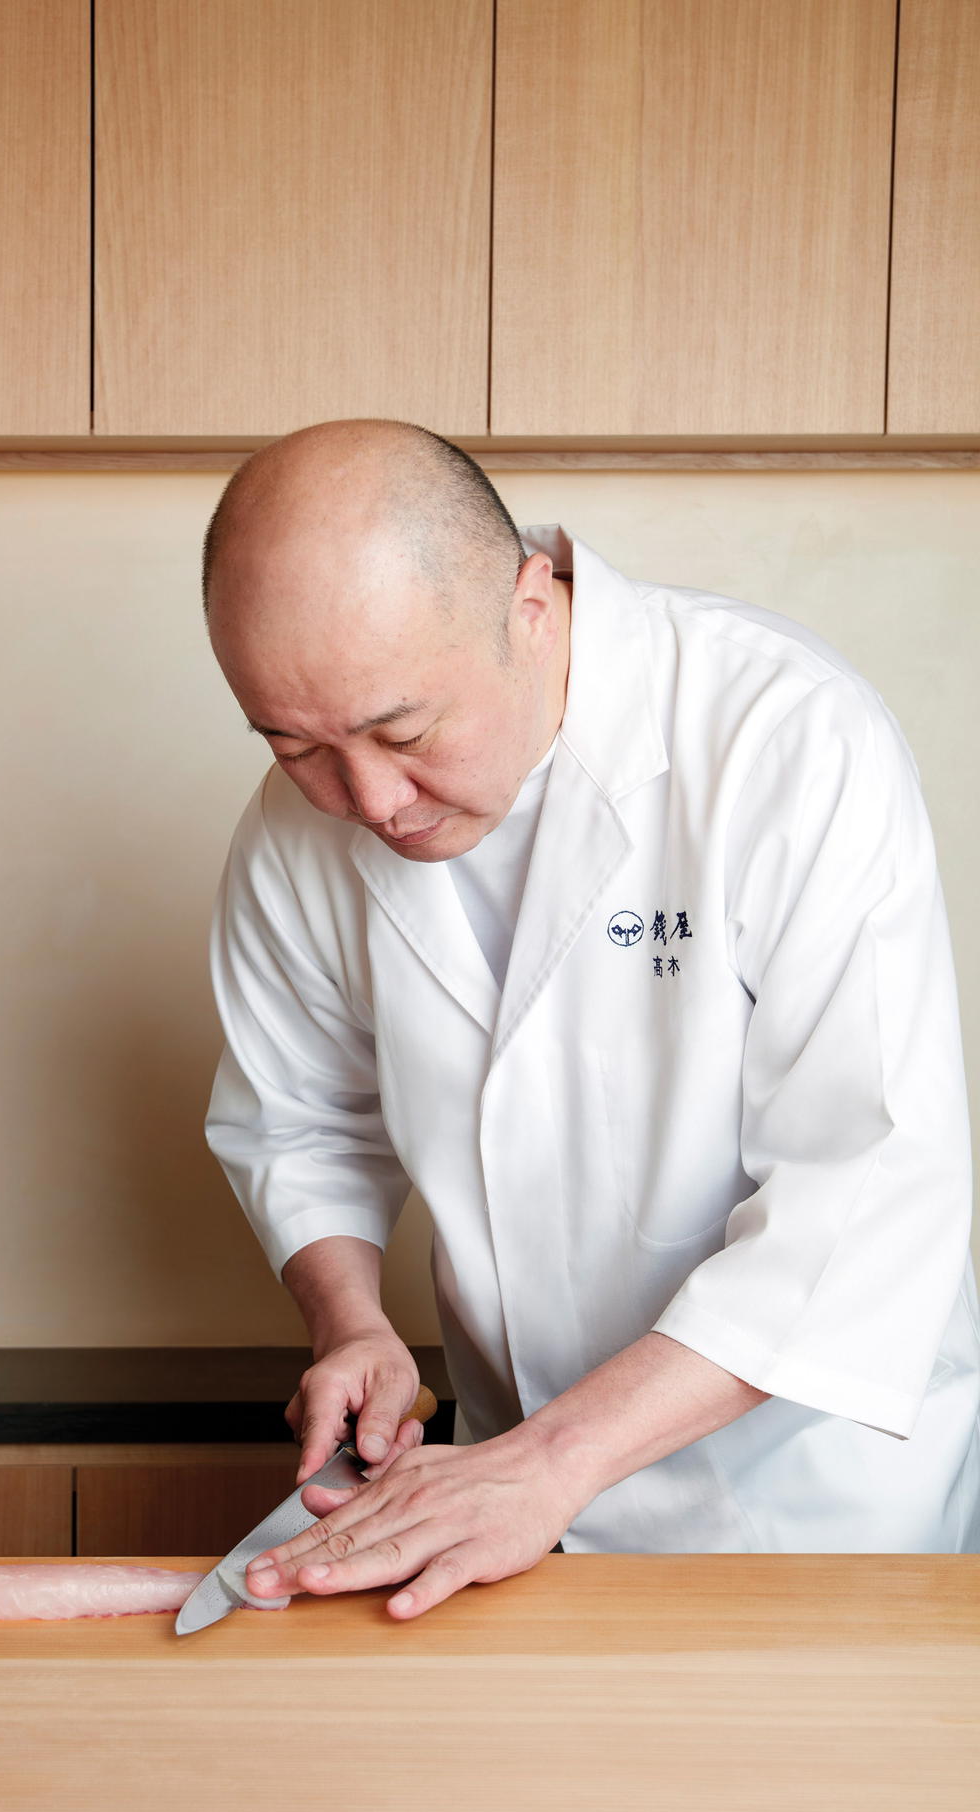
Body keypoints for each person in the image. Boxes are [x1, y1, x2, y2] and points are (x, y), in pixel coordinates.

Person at [200, 417, 980, 1616]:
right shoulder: (295, 827)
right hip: (502, 1499)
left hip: (801, 1502)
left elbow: (863, 1195)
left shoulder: (782, 739)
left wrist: (553, 1462)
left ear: (528, 603)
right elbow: (301, 1121)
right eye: (298, 746)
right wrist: (349, 1319)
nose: (367, 799)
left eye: (404, 734)